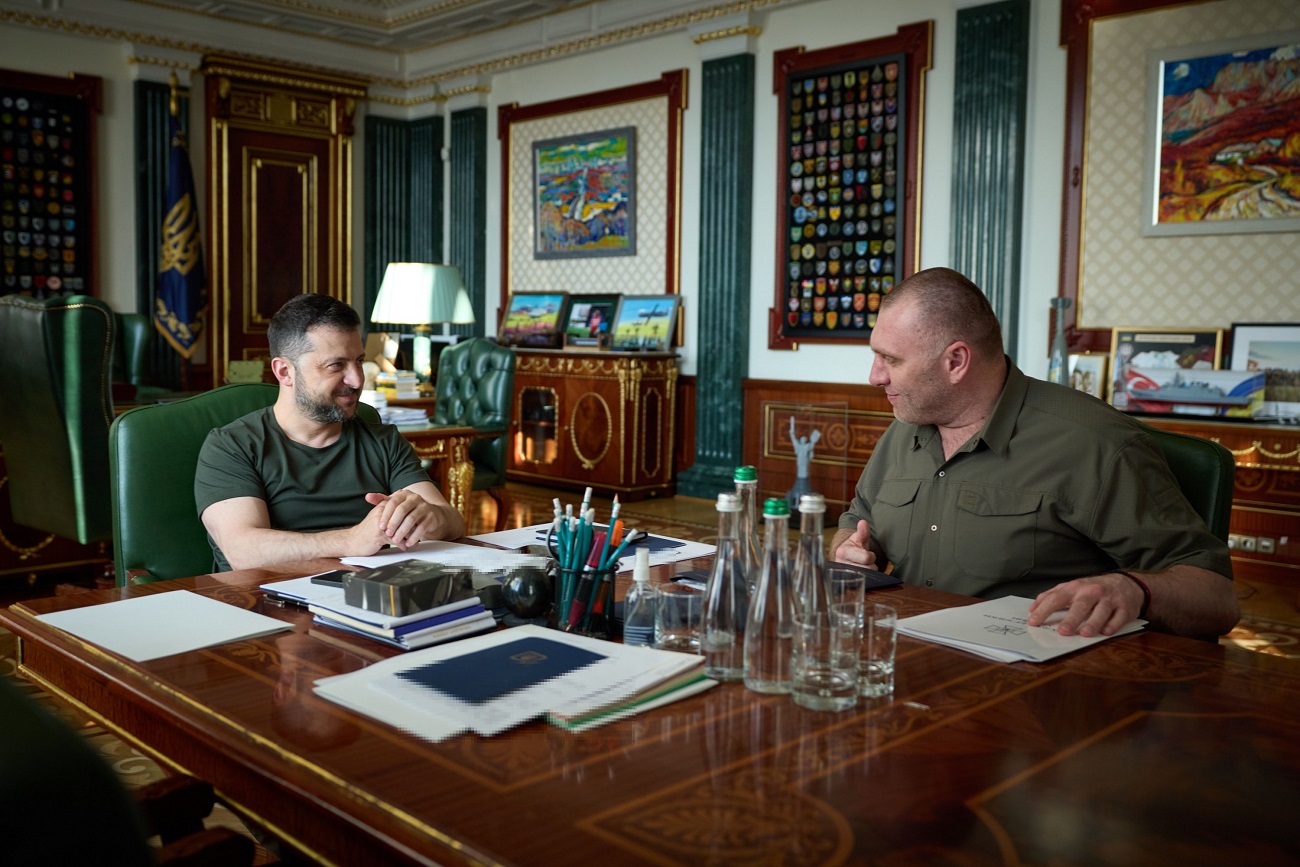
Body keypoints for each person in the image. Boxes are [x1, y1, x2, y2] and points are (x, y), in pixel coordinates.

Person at [830, 268, 1239, 639]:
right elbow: (858, 521)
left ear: (955, 361)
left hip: (1036, 682)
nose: (874, 376)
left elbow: (1216, 597)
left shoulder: (1094, 443)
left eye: (890, 359)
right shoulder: (905, 428)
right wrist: (851, 551)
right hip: (907, 662)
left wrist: (1135, 589)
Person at [195, 293, 464, 572]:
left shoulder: (383, 440)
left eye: (359, 361)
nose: (357, 380)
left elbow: (454, 522)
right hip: (264, 594)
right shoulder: (231, 446)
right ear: (284, 371)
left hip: (370, 590)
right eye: (336, 365)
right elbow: (243, 551)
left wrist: (431, 518)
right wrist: (351, 540)